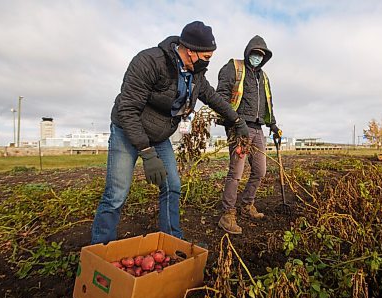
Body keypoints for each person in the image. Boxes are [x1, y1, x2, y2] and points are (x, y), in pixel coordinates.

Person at [91, 21, 249, 244]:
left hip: (159, 134)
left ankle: (172, 241)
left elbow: (214, 98)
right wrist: (146, 153)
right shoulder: (150, 62)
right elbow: (127, 110)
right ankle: (100, 248)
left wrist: (237, 121)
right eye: (206, 57)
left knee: (172, 186)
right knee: (116, 193)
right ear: (190, 50)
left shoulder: (196, 75)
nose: (208, 62)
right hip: (128, 130)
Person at [216, 35, 281, 235]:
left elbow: (267, 104)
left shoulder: (264, 77)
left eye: (261, 55)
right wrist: (235, 122)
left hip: (258, 128)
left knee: (260, 171)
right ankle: (227, 214)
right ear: (248, 52)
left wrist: (274, 125)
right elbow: (221, 96)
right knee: (236, 173)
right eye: (255, 53)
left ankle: (247, 204)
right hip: (239, 128)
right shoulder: (234, 68)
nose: (257, 57)